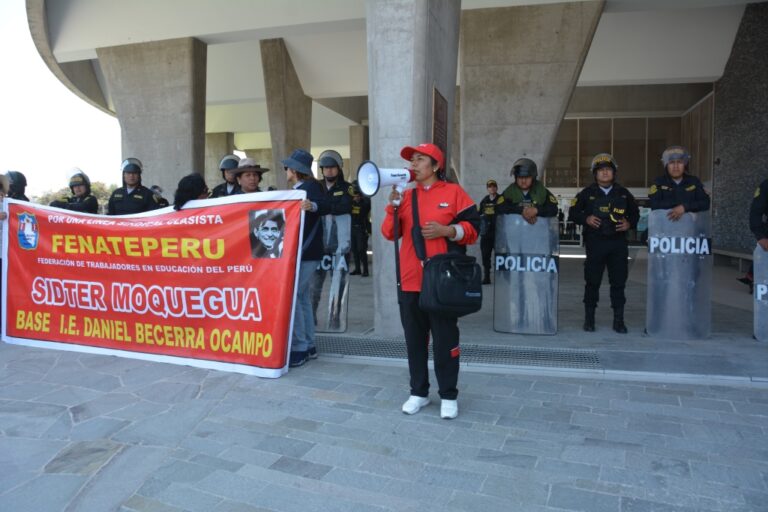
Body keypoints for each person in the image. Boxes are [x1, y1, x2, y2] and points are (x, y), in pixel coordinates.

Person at [381, 142, 480, 420]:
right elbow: (389, 234)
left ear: (435, 165)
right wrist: (392, 207)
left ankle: (448, 394)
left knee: (446, 340)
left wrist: (448, 230)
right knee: (414, 340)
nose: (414, 164)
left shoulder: (454, 193)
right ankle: (419, 393)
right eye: (412, 159)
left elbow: (475, 229)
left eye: (420, 159)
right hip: (410, 280)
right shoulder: (406, 196)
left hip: (443, 284)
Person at [569, 153, 639, 334]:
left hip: (617, 245)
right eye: (601, 170)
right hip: (595, 244)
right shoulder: (587, 193)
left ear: (614, 172)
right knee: (592, 282)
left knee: (618, 283)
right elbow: (573, 213)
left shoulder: (623, 193)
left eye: (608, 169)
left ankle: (619, 320)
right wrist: (587, 218)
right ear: (595, 173)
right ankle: (589, 319)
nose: (605, 173)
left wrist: (629, 223)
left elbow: (635, 214)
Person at [283, 149, 329, 367]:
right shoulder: (301, 188)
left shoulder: (310, 188)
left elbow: (327, 205)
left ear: (294, 170)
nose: (286, 170)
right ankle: (308, 345)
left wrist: (313, 206)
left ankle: (300, 347)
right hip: (306, 251)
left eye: (288, 167)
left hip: (307, 251)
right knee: (301, 298)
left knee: (296, 296)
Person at [648, 145, 710, 219]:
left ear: (685, 164)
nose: (676, 166)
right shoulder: (659, 182)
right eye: (671, 162)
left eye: (679, 162)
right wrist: (678, 207)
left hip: (689, 228)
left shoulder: (694, 181)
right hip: (665, 228)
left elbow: (705, 203)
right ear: (666, 165)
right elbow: (654, 204)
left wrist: (685, 207)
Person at [497, 157, 558, 222]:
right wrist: (520, 210)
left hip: (538, 230)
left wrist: (537, 210)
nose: (523, 181)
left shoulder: (541, 190)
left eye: (527, 177)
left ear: (533, 177)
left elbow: (554, 209)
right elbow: (499, 207)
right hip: (514, 230)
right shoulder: (510, 191)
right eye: (520, 177)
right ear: (515, 178)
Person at [740, 179, 768, 293]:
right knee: (762, 256)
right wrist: (761, 237)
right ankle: (754, 279)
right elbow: (755, 212)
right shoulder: (766, 185)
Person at [477, 179, 503, 284]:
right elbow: (479, 214)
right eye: (490, 186)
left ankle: (501, 278)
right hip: (486, 234)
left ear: (496, 188)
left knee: (500, 256)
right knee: (485, 255)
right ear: (487, 189)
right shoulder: (484, 200)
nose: (492, 188)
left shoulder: (501, 199)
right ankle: (487, 277)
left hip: (499, 233)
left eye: (493, 186)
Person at [350, 181, 371, 276]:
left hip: (361, 229)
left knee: (361, 250)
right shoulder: (350, 204)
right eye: (354, 196)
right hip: (352, 229)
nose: (356, 198)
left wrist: (363, 190)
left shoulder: (364, 204)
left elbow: (368, 202)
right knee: (354, 250)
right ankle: (357, 269)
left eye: (358, 196)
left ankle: (365, 270)